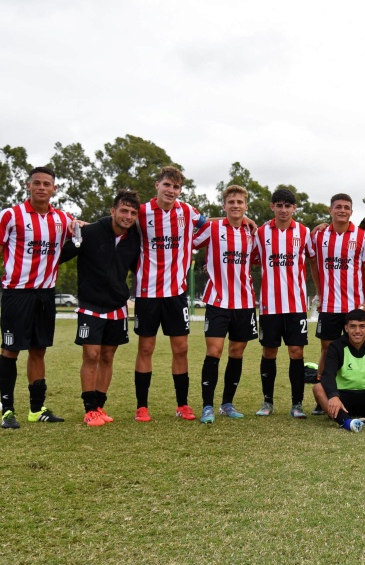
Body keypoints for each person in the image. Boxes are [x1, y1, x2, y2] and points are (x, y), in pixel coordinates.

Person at [60, 191, 142, 426]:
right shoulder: (90, 232)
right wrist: (71, 227)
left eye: (133, 213)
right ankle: (89, 409)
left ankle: (99, 406)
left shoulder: (135, 237)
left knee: (107, 356)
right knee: (91, 354)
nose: (128, 216)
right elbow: (59, 255)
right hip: (90, 305)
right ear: (112, 210)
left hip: (117, 306)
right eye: (124, 211)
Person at [0, 166, 73, 428]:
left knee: (38, 350)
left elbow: (80, 237)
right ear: (28, 186)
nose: (42, 187)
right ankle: (6, 410)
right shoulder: (10, 215)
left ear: (54, 189)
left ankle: (36, 409)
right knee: (10, 350)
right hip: (16, 293)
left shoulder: (63, 220)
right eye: (37, 183)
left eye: (47, 184)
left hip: (45, 293)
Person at [133, 166, 203, 422]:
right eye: (167, 185)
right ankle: (142, 406)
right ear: (157, 185)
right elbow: (116, 223)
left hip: (176, 293)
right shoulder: (141, 212)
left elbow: (210, 223)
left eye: (176, 187)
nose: (171, 191)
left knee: (181, 348)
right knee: (146, 347)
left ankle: (182, 404)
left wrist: (242, 220)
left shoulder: (187, 211)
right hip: (147, 292)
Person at [192, 185, 258, 424]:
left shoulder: (253, 233)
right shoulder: (213, 228)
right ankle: (207, 406)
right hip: (217, 301)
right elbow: (188, 240)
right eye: (231, 202)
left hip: (245, 302)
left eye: (240, 202)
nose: (236, 206)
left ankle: (227, 404)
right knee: (214, 352)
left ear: (246, 206)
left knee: (236, 352)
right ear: (225, 205)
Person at [307, 194, 365, 410]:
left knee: (355, 349)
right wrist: (319, 292)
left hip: (355, 306)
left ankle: (354, 392)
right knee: (327, 350)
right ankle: (324, 395)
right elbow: (313, 264)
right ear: (330, 210)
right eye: (338, 207)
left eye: (346, 207)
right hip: (329, 306)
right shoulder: (319, 236)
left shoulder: (362, 237)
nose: (342, 210)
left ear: (351, 212)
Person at [253, 187, 313, 418]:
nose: (283, 210)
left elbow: (313, 258)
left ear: (294, 208)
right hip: (269, 304)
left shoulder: (304, 232)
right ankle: (267, 402)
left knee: (296, 352)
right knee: (269, 351)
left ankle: (297, 403)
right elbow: (254, 259)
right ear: (272, 207)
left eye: (288, 206)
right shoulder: (260, 232)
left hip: (296, 304)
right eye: (279, 205)